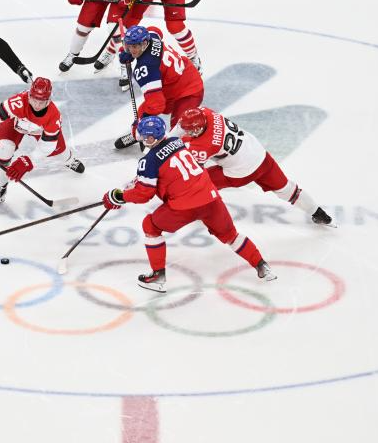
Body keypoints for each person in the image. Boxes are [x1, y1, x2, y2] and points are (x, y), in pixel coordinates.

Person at [102, 115, 276, 292]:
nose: (144, 139)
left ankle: (157, 276)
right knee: (231, 235)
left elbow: (144, 194)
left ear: (154, 137)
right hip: (210, 198)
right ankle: (262, 266)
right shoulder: (177, 141)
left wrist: (119, 196)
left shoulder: (148, 162)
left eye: (147, 137)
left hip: (183, 207)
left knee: (150, 226)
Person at [178, 107, 335, 226]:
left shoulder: (202, 146)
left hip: (240, 172)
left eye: (190, 130)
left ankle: (199, 210)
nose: (188, 132)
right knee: (287, 189)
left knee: (199, 184)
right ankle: (319, 213)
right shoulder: (207, 113)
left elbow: (193, 169)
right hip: (260, 156)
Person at [0, 77, 84, 208]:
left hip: (39, 130)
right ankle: (0, 188)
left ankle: (69, 160)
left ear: (48, 100)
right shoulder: (18, 102)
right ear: (29, 96)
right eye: (34, 100)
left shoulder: (53, 115)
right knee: (4, 150)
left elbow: (48, 146)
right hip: (15, 123)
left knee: (60, 153)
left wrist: (29, 160)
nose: (37, 105)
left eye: (42, 101)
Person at [114, 25, 203, 149]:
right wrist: (129, 51)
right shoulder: (152, 37)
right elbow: (155, 30)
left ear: (144, 44)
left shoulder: (145, 68)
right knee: (143, 110)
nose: (130, 49)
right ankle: (140, 135)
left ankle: (143, 134)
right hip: (176, 83)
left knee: (179, 132)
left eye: (134, 46)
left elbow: (157, 105)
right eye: (128, 46)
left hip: (189, 91)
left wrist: (140, 123)